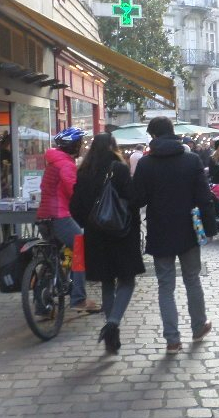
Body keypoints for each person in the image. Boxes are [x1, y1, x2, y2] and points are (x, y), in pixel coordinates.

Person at [132, 117, 214, 353]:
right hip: (188, 230)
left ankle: (172, 340)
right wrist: (209, 229)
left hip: (160, 231)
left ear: (154, 137)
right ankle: (198, 327)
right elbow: (204, 197)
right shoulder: (191, 160)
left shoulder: (147, 165)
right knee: (192, 279)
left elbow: (137, 199)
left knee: (165, 285)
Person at [69, 133, 144, 354]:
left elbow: (75, 207)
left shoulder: (83, 172)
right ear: (113, 147)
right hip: (120, 234)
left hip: (96, 236)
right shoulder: (118, 169)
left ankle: (112, 329)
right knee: (127, 280)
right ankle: (113, 323)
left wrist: (90, 223)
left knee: (107, 282)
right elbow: (133, 199)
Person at [36, 127, 100, 313]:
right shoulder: (66, 164)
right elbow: (74, 191)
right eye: (79, 143)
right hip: (59, 216)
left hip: (43, 216)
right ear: (73, 146)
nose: (81, 147)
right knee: (80, 247)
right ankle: (79, 298)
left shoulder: (52, 162)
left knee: (52, 257)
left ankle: (42, 304)